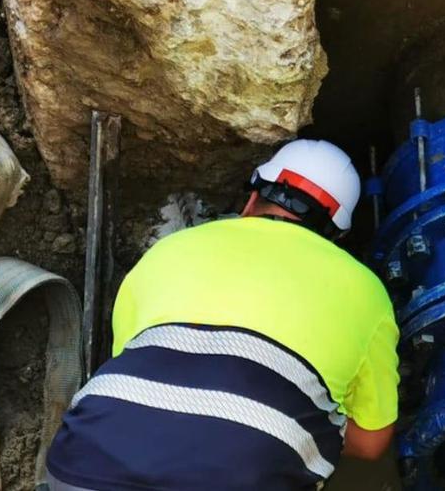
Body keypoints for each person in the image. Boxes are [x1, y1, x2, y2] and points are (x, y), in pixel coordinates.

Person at [45, 140, 400, 491]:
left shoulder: (165, 252)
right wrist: (316, 422)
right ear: (335, 236)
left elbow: (136, 372)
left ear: (250, 202)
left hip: (82, 463)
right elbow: (369, 445)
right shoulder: (365, 290)